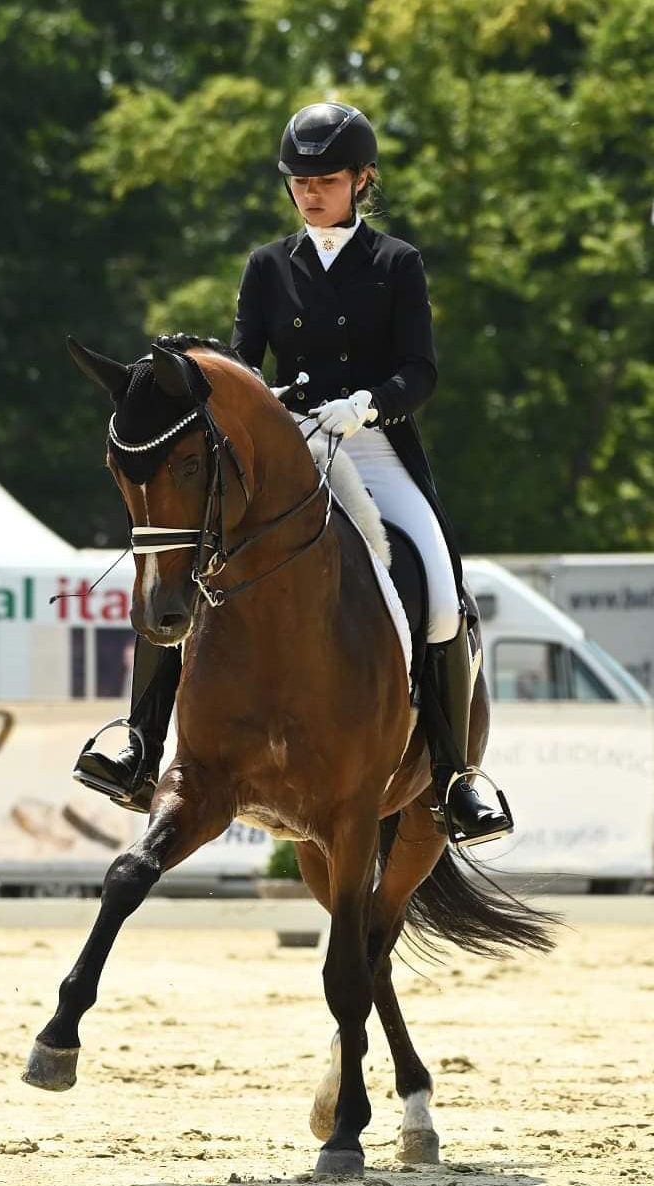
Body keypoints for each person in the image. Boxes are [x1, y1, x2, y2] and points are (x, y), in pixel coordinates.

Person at [75, 100, 510, 844]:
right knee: (189, 573)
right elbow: (243, 360)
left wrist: (370, 404)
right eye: (300, 181)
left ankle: (453, 775)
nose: (311, 193)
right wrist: (267, 401)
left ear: (362, 180)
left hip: (373, 446)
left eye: (328, 180)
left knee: (439, 590)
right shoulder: (269, 266)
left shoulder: (396, 264)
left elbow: (422, 370)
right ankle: (139, 743)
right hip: (288, 450)